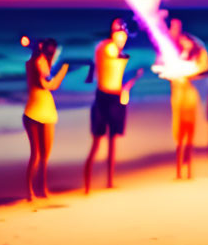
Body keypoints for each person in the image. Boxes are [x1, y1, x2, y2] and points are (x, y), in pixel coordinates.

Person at [83, 19, 143, 193]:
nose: (122, 39)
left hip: (116, 97)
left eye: (124, 36)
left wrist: (130, 84)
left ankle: (109, 180)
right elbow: (109, 54)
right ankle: (87, 185)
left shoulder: (118, 51)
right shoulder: (106, 47)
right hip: (103, 97)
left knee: (112, 141)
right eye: (119, 34)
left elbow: (118, 74)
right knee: (97, 142)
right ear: (112, 33)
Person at [23, 38, 70, 200]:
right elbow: (50, 85)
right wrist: (64, 69)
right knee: (37, 155)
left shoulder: (40, 63)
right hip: (34, 111)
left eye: (53, 51)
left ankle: (39, 189)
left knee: (42, 155)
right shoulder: (37, 62)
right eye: (50, 51)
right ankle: (32, 190)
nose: (51, 54)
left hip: (45, 111)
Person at [169, 30, 208, 179]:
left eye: (184, 40)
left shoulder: (197, 56)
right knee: (179, 134)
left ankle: (188, 171)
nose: (183, 43)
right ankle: (179, 171)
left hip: (188, 95)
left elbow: (202, 70)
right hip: (179, 95)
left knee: (189, 132)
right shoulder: (178, 56)